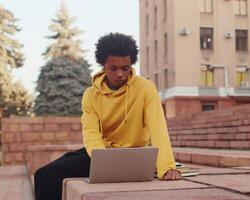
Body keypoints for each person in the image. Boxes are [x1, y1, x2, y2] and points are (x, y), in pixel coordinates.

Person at [34, 33, 181, 200]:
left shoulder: (145, 88)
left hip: (132, 155)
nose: (120, 74)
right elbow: (91, 132)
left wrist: (166, 166)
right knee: (43, 175)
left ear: (131, 64)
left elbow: (158, 127)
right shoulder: (91, 94)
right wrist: (103, 163)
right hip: (100, 153)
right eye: (113, 68)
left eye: (125, 68)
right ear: (103, 65)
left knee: (48, 175)